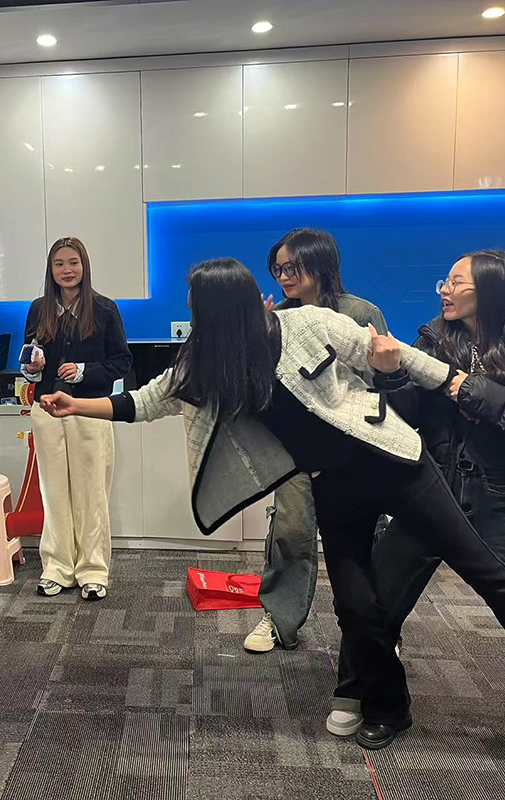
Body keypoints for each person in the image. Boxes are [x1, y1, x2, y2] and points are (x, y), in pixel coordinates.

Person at [38, 257, 505, 749]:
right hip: (335, 487)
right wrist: (77, 405)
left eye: (196, 311)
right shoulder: (208, 365)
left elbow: (397, 355)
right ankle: (390, 706)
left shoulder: (309, 323)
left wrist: (456, 384)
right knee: (354, 605)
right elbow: (148, 400)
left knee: (483, 569)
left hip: (396, 463)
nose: (193, 320)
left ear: (221, 312)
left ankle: (372, 695)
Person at [329, 249, 505, 738]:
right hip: (431, 488)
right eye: (444, 282)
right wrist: (391, 373)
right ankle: (374, 698)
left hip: (495, 495)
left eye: (457, 282)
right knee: (375, 601)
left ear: (491, 288)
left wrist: (462, 387)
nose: (445, 290)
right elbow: (404, 413)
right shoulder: (432, 339)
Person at [246, 228, 389, 655]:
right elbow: (261, 383)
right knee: (290, 531)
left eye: (292, 267)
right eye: (278, 269)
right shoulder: (277, 317)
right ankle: (280, 618)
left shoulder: (361, 312)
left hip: (352, 447)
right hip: (295, 447)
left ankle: (380, 629)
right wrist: (256, 337)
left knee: (363, 539)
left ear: (321, 264)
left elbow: (382, 379)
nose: (283, 276)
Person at [22, 237, 132, 601]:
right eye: (59, 264)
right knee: (54, 494)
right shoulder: (38, 309)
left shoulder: (104, 309)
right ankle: (57, 567)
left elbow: (122, 362)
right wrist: (33, 368)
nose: (66, 270)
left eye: (73, 262)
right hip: (47, 411)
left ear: (84, 266)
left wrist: (83, 371)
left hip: (89, 410)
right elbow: (28, 364)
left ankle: (93, 570)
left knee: (91, 492)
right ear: (50, 270)